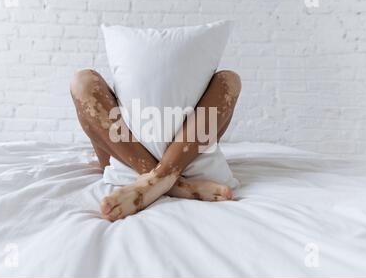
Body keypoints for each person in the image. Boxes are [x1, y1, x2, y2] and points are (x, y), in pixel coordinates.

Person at [70, 69, 241, 221]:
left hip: (188, 145)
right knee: (82, 81)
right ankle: (171, 183)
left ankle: (158, 179)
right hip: (121, 149)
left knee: (230, 79)